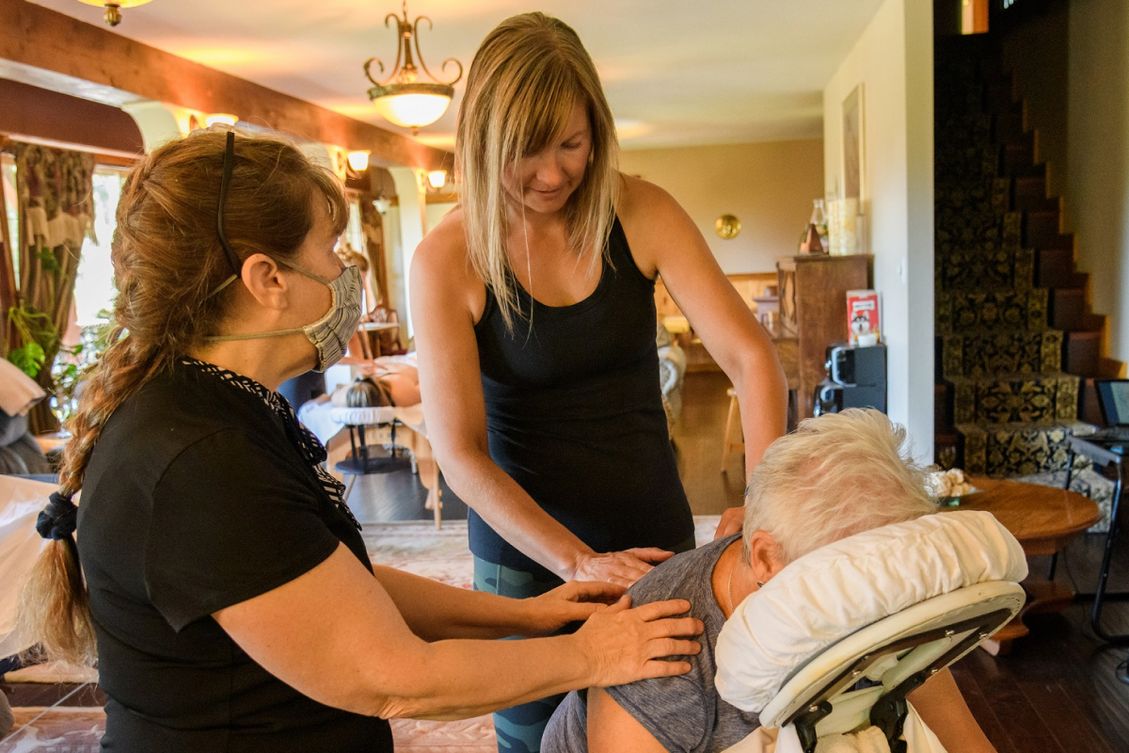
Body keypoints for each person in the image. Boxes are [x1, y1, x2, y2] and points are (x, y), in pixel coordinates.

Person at [17, 129, 705, 753]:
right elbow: (393, 677)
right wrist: (592, 655)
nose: (348, 270)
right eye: (330, 248)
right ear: (268, 279)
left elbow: (334, 584)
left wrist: (523, 613)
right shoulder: (199, 458)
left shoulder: (223, 408)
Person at [410, 13, 786, 751]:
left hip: (655, 540)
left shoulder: (640, 209)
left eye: (571, 144)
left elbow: (751, 358)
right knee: (535, 739)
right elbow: (458, 451)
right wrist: (574, 561)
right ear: (483, 144)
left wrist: (760, 504)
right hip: (529, 564)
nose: (552, 174)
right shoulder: (446, 258)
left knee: (681, 730)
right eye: (526, 150)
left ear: (597, 131)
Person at [542, 409, 998, 753]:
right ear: (764, 558)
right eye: (846, 588)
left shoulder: (880, 588)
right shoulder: (667, 656)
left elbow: (964, 739)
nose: (874, 614)